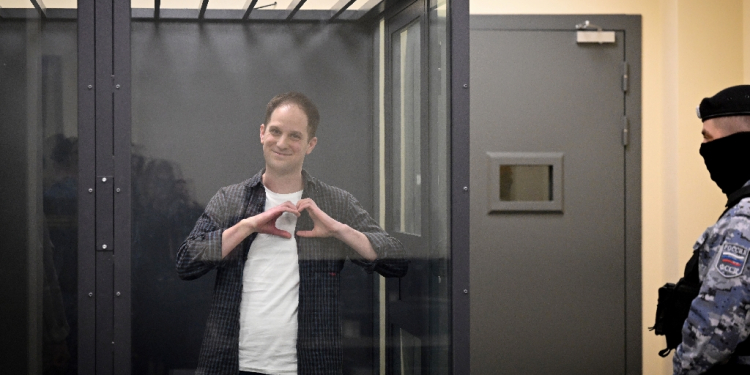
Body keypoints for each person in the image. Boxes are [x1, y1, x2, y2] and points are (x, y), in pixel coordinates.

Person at [176, 92, 408, 375]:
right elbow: (186, 263)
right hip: (230, 364)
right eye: (275, 131)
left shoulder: (335, 203)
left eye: (295, 136)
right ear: (262, 133)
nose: (282, 143)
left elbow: (396, 260)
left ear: (311, 144)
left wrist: (339, 230)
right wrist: (247, 226)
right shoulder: (231, 199)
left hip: (309, 367)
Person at [673, 85, 750, 374]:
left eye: (709, 139)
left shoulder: (743, 223)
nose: (704, 149)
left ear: (737, 146)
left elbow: (712, 337)